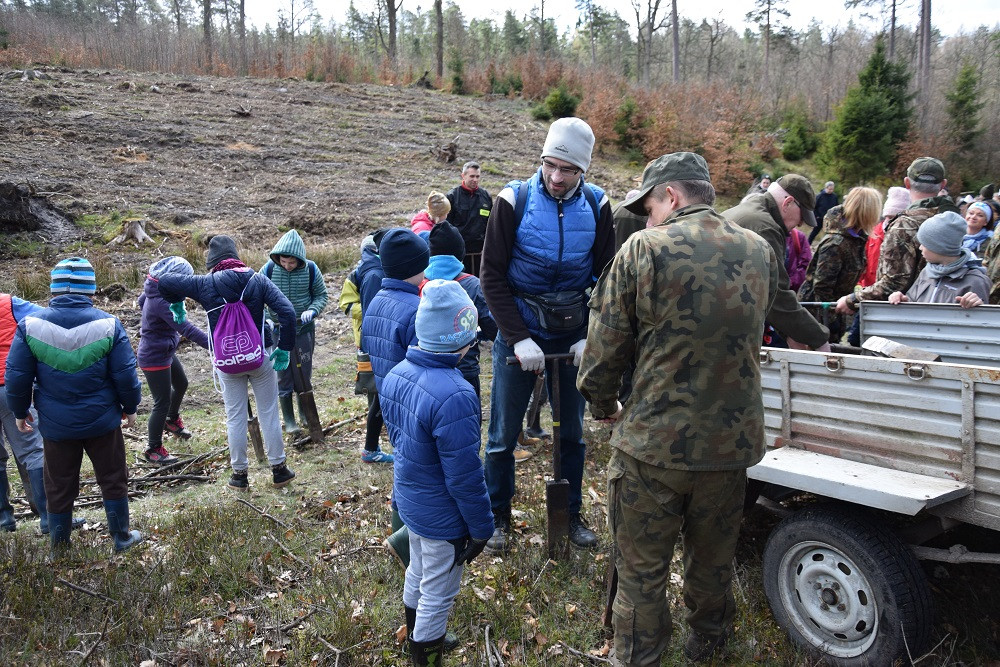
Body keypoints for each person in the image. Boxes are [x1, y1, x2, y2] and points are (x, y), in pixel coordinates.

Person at [577, 152, 778, 665]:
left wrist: (603, 404)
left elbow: (602, 352)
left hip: (654, 445)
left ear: (671, 196)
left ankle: (640, 656)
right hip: (731, 446)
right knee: (713, 560)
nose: (648, 218)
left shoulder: (645, 248)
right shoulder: (758, 249)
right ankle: (709, 644)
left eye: (650, 206)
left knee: (642, 569)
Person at [480, 116, 615, 552]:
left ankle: (570, 514)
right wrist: (517, 337)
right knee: (502, 434)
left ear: (584, 171)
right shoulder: (512, 200)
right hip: (518, 332)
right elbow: (491, 277)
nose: (557, 177)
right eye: (550, 165)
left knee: (571, 432)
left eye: (568, 170)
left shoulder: (598, 206)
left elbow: (607, 280)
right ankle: (496, 514)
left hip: (572, 336)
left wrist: (588, 335)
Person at [379, 279, 494, 666]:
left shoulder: (397, 374)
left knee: (419, 569)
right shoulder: (457, 395)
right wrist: (481, 527)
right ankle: (424, 655)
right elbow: (464, 475)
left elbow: (401, 442)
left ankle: (416, 635)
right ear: (462, 339)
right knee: (439, 591)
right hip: (443, 517)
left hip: (412, 501)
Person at [5, 258, 143, 555]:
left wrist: (20, 411)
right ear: (90, 289)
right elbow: (126, 375)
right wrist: (130, 407)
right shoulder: (109, 324)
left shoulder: (30, 326)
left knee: (58, 483)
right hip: (102, 421)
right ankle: (121, 537)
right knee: (113, 477)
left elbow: (16, 376)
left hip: (55, 425)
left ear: (54, 289)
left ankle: (59, 547)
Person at [157, 235, 297, 491]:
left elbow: (163, 282)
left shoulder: (203, 284)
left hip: (226, 360)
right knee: (268, 412)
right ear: (236, 257)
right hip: (260, 356)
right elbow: (287, 312)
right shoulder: (257, 280)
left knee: (234, 417)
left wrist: (177, 306)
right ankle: (279, 471)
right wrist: (284, 348)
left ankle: (239, 476)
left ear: (212, 262)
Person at [362, 227, 429, 570]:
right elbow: (423, 364)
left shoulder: (376, 301)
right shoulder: (417, 309)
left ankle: (400, 533)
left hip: (388, 400)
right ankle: (405, 541)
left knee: (405, 464)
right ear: (416, 266)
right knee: (419, 472)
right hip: (414, 403)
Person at [1, 291, 86, 535]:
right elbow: (49, 318)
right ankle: (50, 518)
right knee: (33, 451)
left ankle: (5, 519)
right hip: (8, 386)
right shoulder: (9, 303)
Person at [835, 157, 959, 316]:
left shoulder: (904, 225)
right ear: (943, 184)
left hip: (903, 316)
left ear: (907, 183)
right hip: (945, 313)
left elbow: (893, 283)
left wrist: (852, 300)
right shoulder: (955, 222)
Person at [722, 174, 832, 351]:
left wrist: (792, 331)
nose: (800, 224)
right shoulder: (765, 227)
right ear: (787, 202)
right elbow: (774, 294)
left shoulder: (750, 210)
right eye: (801, 216)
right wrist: (817, 338)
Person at [137, 257, 210, 464]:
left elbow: (143, 301)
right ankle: (153, 449)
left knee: (181, 384)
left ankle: (172, 420)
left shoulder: (155, 292)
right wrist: (213, 345)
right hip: (154, 357)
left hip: (164, 349)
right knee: (162, 401)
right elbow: (186, 328)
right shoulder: (163, 302)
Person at [261, 229, 329, 436]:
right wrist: (267, 319)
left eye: (291, 263)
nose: (287, 266)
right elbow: (256, 297)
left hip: (303, 330)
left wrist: (313, 310)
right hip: (278, 331)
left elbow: (321, 295)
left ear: (299, 259)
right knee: (283, 374)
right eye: (283, 261)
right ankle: (289, 420)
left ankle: (304, 414)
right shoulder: (269, 269)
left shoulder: (310, 269)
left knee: (303, 373)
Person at [798, 187, 882, 344]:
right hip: (818, 313)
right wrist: (830, 319)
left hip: (836, 308)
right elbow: (822, 286)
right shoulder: (836, 244)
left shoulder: (856, 240)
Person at [423, 221, 497, 397]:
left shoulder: (420, 283)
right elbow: (492, 325)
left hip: (426, 369)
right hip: (465, 368)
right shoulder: (472, 285)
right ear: (460, 253)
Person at [888, 211, 989, 308]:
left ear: (940, 247)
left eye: (925, 244)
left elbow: (982, 321)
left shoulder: (975, 281)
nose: (920, 248)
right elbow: (913, 302)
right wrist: (903, 300)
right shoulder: (927, 272)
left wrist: (978, 306)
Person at [445, 161, 493, 276]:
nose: (475, 179)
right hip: (459, 253)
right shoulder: (452, 196)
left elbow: (491, 224)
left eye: (477, 176)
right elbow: (446, 226)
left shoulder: (486, 197)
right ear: (463, 176)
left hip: (480, 252)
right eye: (472, 176)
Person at [785, 227, 812, 293]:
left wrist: (791, 283)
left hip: (791, 291)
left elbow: (806, 264)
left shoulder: (797, 237)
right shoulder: (764, 234)